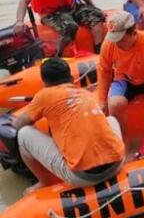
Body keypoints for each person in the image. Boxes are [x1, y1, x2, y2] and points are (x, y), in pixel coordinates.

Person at [11, 58, 124, 194]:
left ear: (44, 83)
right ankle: (128, 155)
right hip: (117, 164)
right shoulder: (85, 93)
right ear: (71, 78)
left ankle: (45, 182)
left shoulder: (44, 95)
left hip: (84, 177)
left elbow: (19, 125)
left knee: (24, 134)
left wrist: (16, 120)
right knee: (111, 119)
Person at [97, 10, 144, 161]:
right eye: (114, 38)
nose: (116, 43)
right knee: (114, 104)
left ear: (133, 32)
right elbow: (104, 71)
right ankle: (125, 145)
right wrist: (101, 100)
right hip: (125, 79)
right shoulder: (109, 44)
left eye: (120, 39)